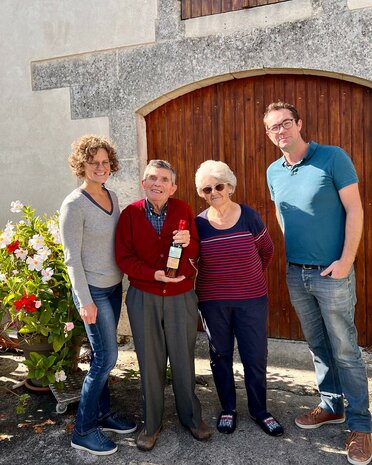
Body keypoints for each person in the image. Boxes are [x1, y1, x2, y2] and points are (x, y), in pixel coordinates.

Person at [264, 101, 372, 465]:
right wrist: (297, 257)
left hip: (333, 273)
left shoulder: (332, 158)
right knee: (317, 344)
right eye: (273, 128)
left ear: (298, 123)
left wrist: (346, 261)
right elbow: (283, 217)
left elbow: (355, 209)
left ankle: (360, 425)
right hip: (298, 272)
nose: (281, 131)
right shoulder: (273, 171)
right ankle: (331, 405)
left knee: (345, 348)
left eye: (286, 123)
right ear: (268, 134)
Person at [115, 159, 211, 451]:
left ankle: (191, 418)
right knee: (149, 361)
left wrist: (189, 241)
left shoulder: (183, 209)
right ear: (143, 183)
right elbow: (123, 257)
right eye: (151, 178)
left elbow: (197, 251)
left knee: (183, 357)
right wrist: (152, 274)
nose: (157, 183)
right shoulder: (130, 214)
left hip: (181, 295)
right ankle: (151, 423)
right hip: (143, 295)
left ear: (173, 187)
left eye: (163, 179)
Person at [194, 160, 283, 437]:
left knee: (254, 356)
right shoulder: (199, 224)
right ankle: (228, 409)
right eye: (207, 188)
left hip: (251, 300)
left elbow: (266, 252)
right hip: (212, 302)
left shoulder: (249, 217)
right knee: (220, 356)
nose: (213, 192)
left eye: (218, 186)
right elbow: (195, 260)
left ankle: (260, 411)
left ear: (229, 187)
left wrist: (247, 279)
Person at [60, 135, 137, 456]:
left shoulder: (112, 197)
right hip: (92, 292)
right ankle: (83, 429)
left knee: (100, 355)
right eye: (94, 163)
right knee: (106, 358)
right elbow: (71, 258)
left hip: (113, 286)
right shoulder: (74, 204)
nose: (101, 168)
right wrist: (84, 300)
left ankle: (103, 414)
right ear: (83, 165)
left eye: (106, 162)